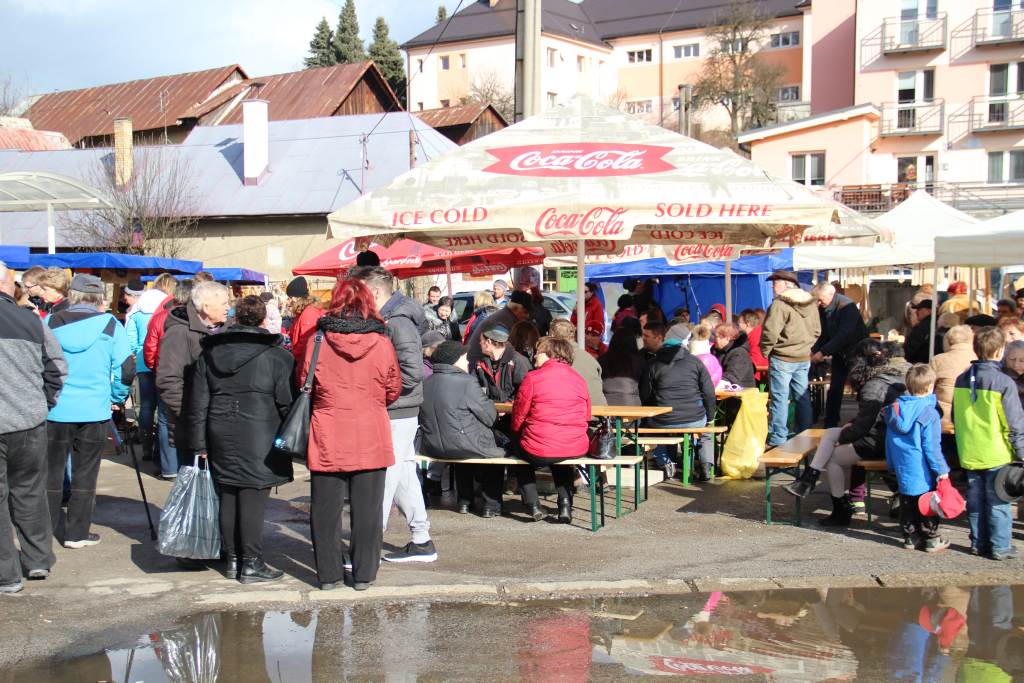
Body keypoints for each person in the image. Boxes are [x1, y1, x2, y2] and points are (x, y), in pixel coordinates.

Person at [188, 295, 294, 584]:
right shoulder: (277, 356)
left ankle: (234, 560)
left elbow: (198, 402)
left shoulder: (210, 353)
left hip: (220, 428)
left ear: (234, 319)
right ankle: (250, 562)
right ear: (263, 321)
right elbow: (286, 402)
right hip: (260, 432)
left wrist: (199, 442)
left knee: (229, 493)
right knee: (252, 496)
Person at [304, 278, 401, 590]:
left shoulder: (317, 341)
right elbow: (393, 388)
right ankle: (363, 574)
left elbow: (304, 383)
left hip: (327, 432)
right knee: (368, 511)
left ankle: (329, 575)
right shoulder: (382, 343)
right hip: (371, 432)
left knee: (325, 511)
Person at [349, 266, 436, 564]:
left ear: (374, 292)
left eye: (359, 292)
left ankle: (367, 548)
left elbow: (412, 373)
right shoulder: (389, 319)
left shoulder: (398, 323)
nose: (355, 299)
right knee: (402, 474)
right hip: (396, 409)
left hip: (396, 410)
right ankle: (422, 540)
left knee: (383, 476)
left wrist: (379, 394)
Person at [46, 274, 134, 548]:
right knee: (85, 473)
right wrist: (116, 397)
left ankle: (42, 533)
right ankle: (76, 534)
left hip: (55, 409)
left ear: (72, 295)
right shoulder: (111, 324)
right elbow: (126, 368)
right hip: (94, 410)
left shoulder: (50, 322)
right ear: (99, 298)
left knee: (50, 473)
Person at [785, 340, 910, 527]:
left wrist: (844, 437)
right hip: (895, 438)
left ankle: (840, 510)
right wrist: (849, 427)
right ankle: (809, 478)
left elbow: (863, 427)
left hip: (879, 442)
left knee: (833, 458)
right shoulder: (897, 374)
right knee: (830, 433)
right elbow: (870, 417)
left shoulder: (874, 385)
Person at [0, 262, 66, 593]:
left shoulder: (31, 319)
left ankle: (7, 575)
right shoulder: (31, 320)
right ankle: (38, 559)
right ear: (8, 284)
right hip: (28, 421)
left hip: (24, 418)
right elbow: (57, 368)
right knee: (29, 491)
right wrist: (42, 404)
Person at [952, 327, 1024, 561]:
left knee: (975, 501)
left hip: (969, 449)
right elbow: (1014, 422)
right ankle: (1000, 546)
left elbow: (955, 415)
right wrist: (1021, 451)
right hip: (996, 451)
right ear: (1000, 350)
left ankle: (978, 543)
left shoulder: (962, 378)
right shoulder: (1004, 381)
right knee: (998, 501)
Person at [418, 341, 506, 517]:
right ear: (454, 360)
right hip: (461, 445)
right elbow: (490, 417)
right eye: (464, 358)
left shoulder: (426, 382)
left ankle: (464, 501)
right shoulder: (466, 382)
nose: (467, 362)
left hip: (432, 446)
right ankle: (491, 505)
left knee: (461, 444)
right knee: (499, 452)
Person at [510, 337, 591, 523]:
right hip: (575, 446)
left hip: (540, 448)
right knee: (560, 457)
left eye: (538, 353)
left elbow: (518, 416)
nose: (534, 357)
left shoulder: (532, 378)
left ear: (550, 355)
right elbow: (587, 415)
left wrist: (517, 434)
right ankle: (565, 505)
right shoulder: (579, 379)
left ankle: (533, 504)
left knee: (518, 451)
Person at [156, 281, 231, 476]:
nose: (228, 307)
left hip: (224, 425)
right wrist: (191, 416)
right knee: (197, 486)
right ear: (206, 307)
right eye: (224, 303)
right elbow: (168, 380)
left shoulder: (229, 329)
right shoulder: (179, 332)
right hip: (192, 427)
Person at [884, 364, 951, 552]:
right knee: (927, 504)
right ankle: (931, 538)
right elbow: (931, 447)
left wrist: (891, 463)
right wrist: (941, 469)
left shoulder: (896, 410)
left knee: (908, 502)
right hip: (923, 469)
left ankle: (910, 537)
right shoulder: (929, 412)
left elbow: (889, 441)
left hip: (903, 466)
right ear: (930, 387)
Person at [641, 322, 716, 481]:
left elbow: (645, 394)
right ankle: (706, 466)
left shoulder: (653, 364)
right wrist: (709, 417)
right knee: (706, 432)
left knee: (651, 429)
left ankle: (665, 462)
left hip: (664, 419)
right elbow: (709, 393)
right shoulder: (695, 362)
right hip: (695, 418)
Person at [761, 271, 820, 448]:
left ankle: (777, 438)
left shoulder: (780, 304)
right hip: (803, 357)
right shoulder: (811, 303)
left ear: (787, 284)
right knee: (802, 397)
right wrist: (806, 347)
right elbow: (817, 330)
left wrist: (765, 351)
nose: (772, 286)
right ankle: (805, 434)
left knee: (780, 399)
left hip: (782, 357)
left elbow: (770, 332)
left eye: (775, 282)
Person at [146, 279, 193, 478]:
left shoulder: (160, 317)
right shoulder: (196, 318)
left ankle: (169, 468)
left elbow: (150, 348)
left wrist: (156, 368)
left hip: (164, 373)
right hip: (188, 374)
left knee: (166, 421)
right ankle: (185, 465)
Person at [127, 277, 175, 463]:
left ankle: (146, 446)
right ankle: (160, 449)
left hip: (142, 363)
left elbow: (130, 341)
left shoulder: (136, 313)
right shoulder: (166, 312)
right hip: (161, 362)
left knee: (146, 405)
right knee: (162, 408)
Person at [811, 282, 869, 428]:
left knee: (861, 387)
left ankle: (865, 421)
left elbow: (844, 335)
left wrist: (822, 352)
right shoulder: (824, 308)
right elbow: (824, 334)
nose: (818, 303)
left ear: (831, 295)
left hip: (857, 353)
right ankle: (830, 423)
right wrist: (815, 350)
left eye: (820, 299)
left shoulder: (847, 307)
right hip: (840, 353)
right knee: (835, 388)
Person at [467, 290, 532, 366]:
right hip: (479, 364)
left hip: (483, 361)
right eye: (525, 312)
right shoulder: (505, 320)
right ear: (515, 308)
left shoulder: (507, 316)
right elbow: (506, 351)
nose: (527, 316)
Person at [549, 319, 607, 406]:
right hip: (598, 409)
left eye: (593, 335)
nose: (588, 337)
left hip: (581, 410)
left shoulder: (551, 358)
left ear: (551, 336)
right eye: (587, 333)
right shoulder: (590, 359)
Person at [930, 325, 975, 430]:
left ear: (948, 341)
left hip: (942, 420)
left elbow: (927, 388)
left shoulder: (938, 360)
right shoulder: (978, 360)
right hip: (970, 420)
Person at [474, 324, 531, 402]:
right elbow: (476, 388)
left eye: (481, 340)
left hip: (511, 409)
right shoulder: (480, 363)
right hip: (488, 408)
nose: (480, 343)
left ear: (488, 342)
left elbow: (525, 392)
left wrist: (507, 404)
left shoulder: (518, 362)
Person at [285, 277, 324, 378]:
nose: (289, 301)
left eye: (290, 298)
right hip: (302, 361)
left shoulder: (308, 313)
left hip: (305, 363)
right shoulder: (303, 311)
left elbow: (306, 342)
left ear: (296, 298)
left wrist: (293, 357)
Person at [599, 327, 647, 405]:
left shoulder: (602, 360)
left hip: (607, 404)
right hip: (632, 405)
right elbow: (644, 389)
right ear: (633, 342)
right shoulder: (639, 361)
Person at [713, 322, 755, 388]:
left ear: (727, 338)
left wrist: (712, 384)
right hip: (723, 390)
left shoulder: (739, 353)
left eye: (716, 337)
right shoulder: (716, 351)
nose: (714, 339)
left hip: (741, 391)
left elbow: (732, 377)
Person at [904, 299, 936, 364]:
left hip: (919, 363)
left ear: (929, 311)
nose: (916, 312)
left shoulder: (923, 326)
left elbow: (912, 347)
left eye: (919, 309)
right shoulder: (936, 323)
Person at [739, 309, 768, 378]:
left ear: (747, 324)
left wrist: (738, 362)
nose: (738, 325)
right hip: (754, 372)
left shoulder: (756, 336)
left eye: (740, 322)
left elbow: (756, 360)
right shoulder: (751, 335)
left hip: (759, 376)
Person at [1003, 340, 1024, 405]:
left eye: (1022, 361)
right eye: (1012, 359)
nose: (1016, 364)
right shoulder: (999, 377)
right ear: (1005, 359)